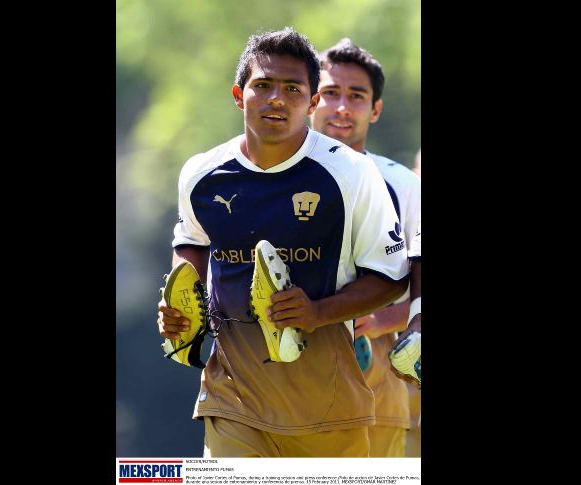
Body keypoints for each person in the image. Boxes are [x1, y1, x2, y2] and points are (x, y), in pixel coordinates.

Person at [156, 28, 410, 458]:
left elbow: (390, 278)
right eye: (263, 85)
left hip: (330, 408)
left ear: (311, 103)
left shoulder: (350, 174)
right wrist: (182, 304)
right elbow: (192, 244)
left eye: (293, 89)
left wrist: (317, 312)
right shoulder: (202, 174)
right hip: (231, 401)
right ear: (239, 94)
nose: (276, 98)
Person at [309, 38, 421, 457]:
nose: (341, 107)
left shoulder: (405, 186)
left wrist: (380, 320)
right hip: (274, 378)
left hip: (376, 377)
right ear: (310, 99)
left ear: (375, 109)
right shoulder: (263, 175)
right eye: (331, 93)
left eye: (356, 96)